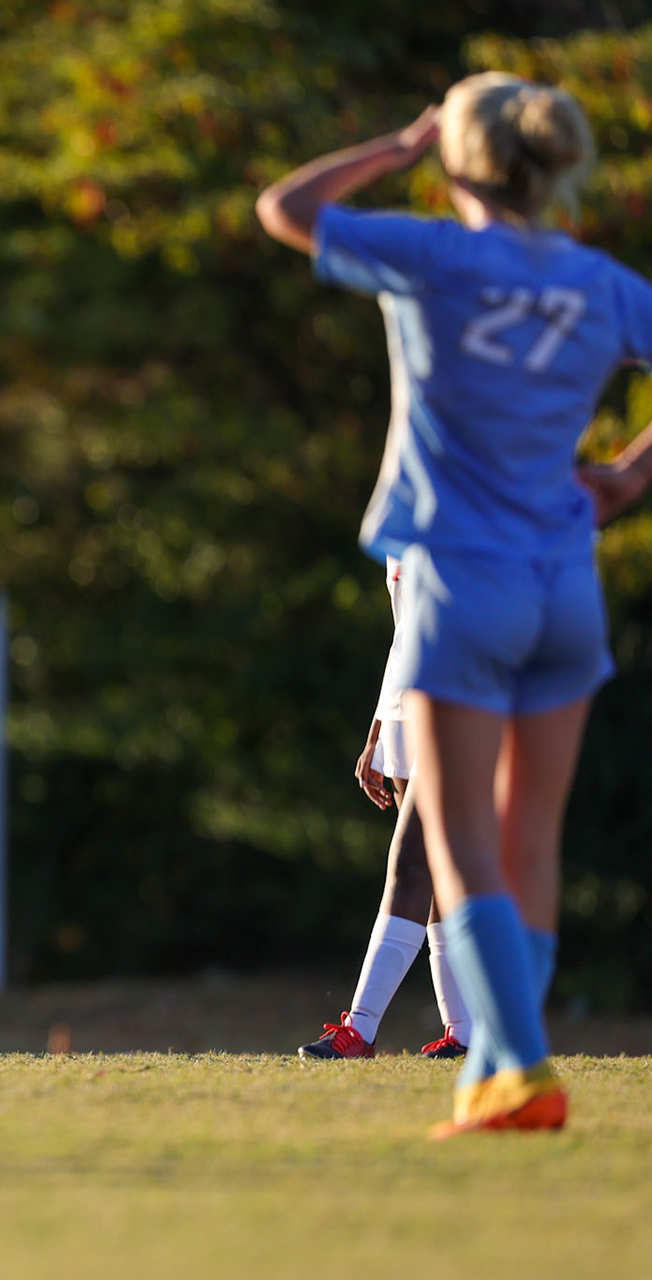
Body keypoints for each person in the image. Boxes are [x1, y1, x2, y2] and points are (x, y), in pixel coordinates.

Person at [257, 70, 652, 1135]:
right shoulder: (600, 280)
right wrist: (626, 475)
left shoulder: (434, 255)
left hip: (459, 578)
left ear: (460, 158)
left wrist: (398, 140)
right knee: (534, 842)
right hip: (565, 580)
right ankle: (509, 1062)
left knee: (459, 841)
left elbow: (284, 210)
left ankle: (516, 1070)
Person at [299, 556, 472, 1061]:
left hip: (457, 703)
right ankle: (464, 1033)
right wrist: (380, 729)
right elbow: (405, 634)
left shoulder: (469, 499)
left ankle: (360, 1030)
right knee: (435, 873)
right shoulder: (404, 509)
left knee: (410, 863)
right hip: (403, 712)